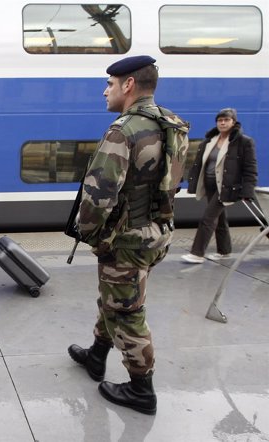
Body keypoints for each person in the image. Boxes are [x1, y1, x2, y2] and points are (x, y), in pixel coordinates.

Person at [68, 56, 187, 415]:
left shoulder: (124, 129)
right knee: (116, 299)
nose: (105, 91)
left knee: (128, 313)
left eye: (110, 84)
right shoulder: (170, 123)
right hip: (157, 231)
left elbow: (99, 192)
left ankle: (141, 390)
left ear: (129, 85)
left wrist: (89, 234)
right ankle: (97, 354)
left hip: (127, 240)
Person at [181, 108, 257, 264]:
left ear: (233, 122)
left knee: (208, 218)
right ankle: (224, 251)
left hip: (227, 187)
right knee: (220, 219)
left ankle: (197, 253)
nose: (222, 123)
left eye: (226, 120)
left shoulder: (243, 142)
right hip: (210, 185)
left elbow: (250, 168)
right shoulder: (210, 140)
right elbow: (199, 164)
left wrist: (247, 190)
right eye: (220, 120)